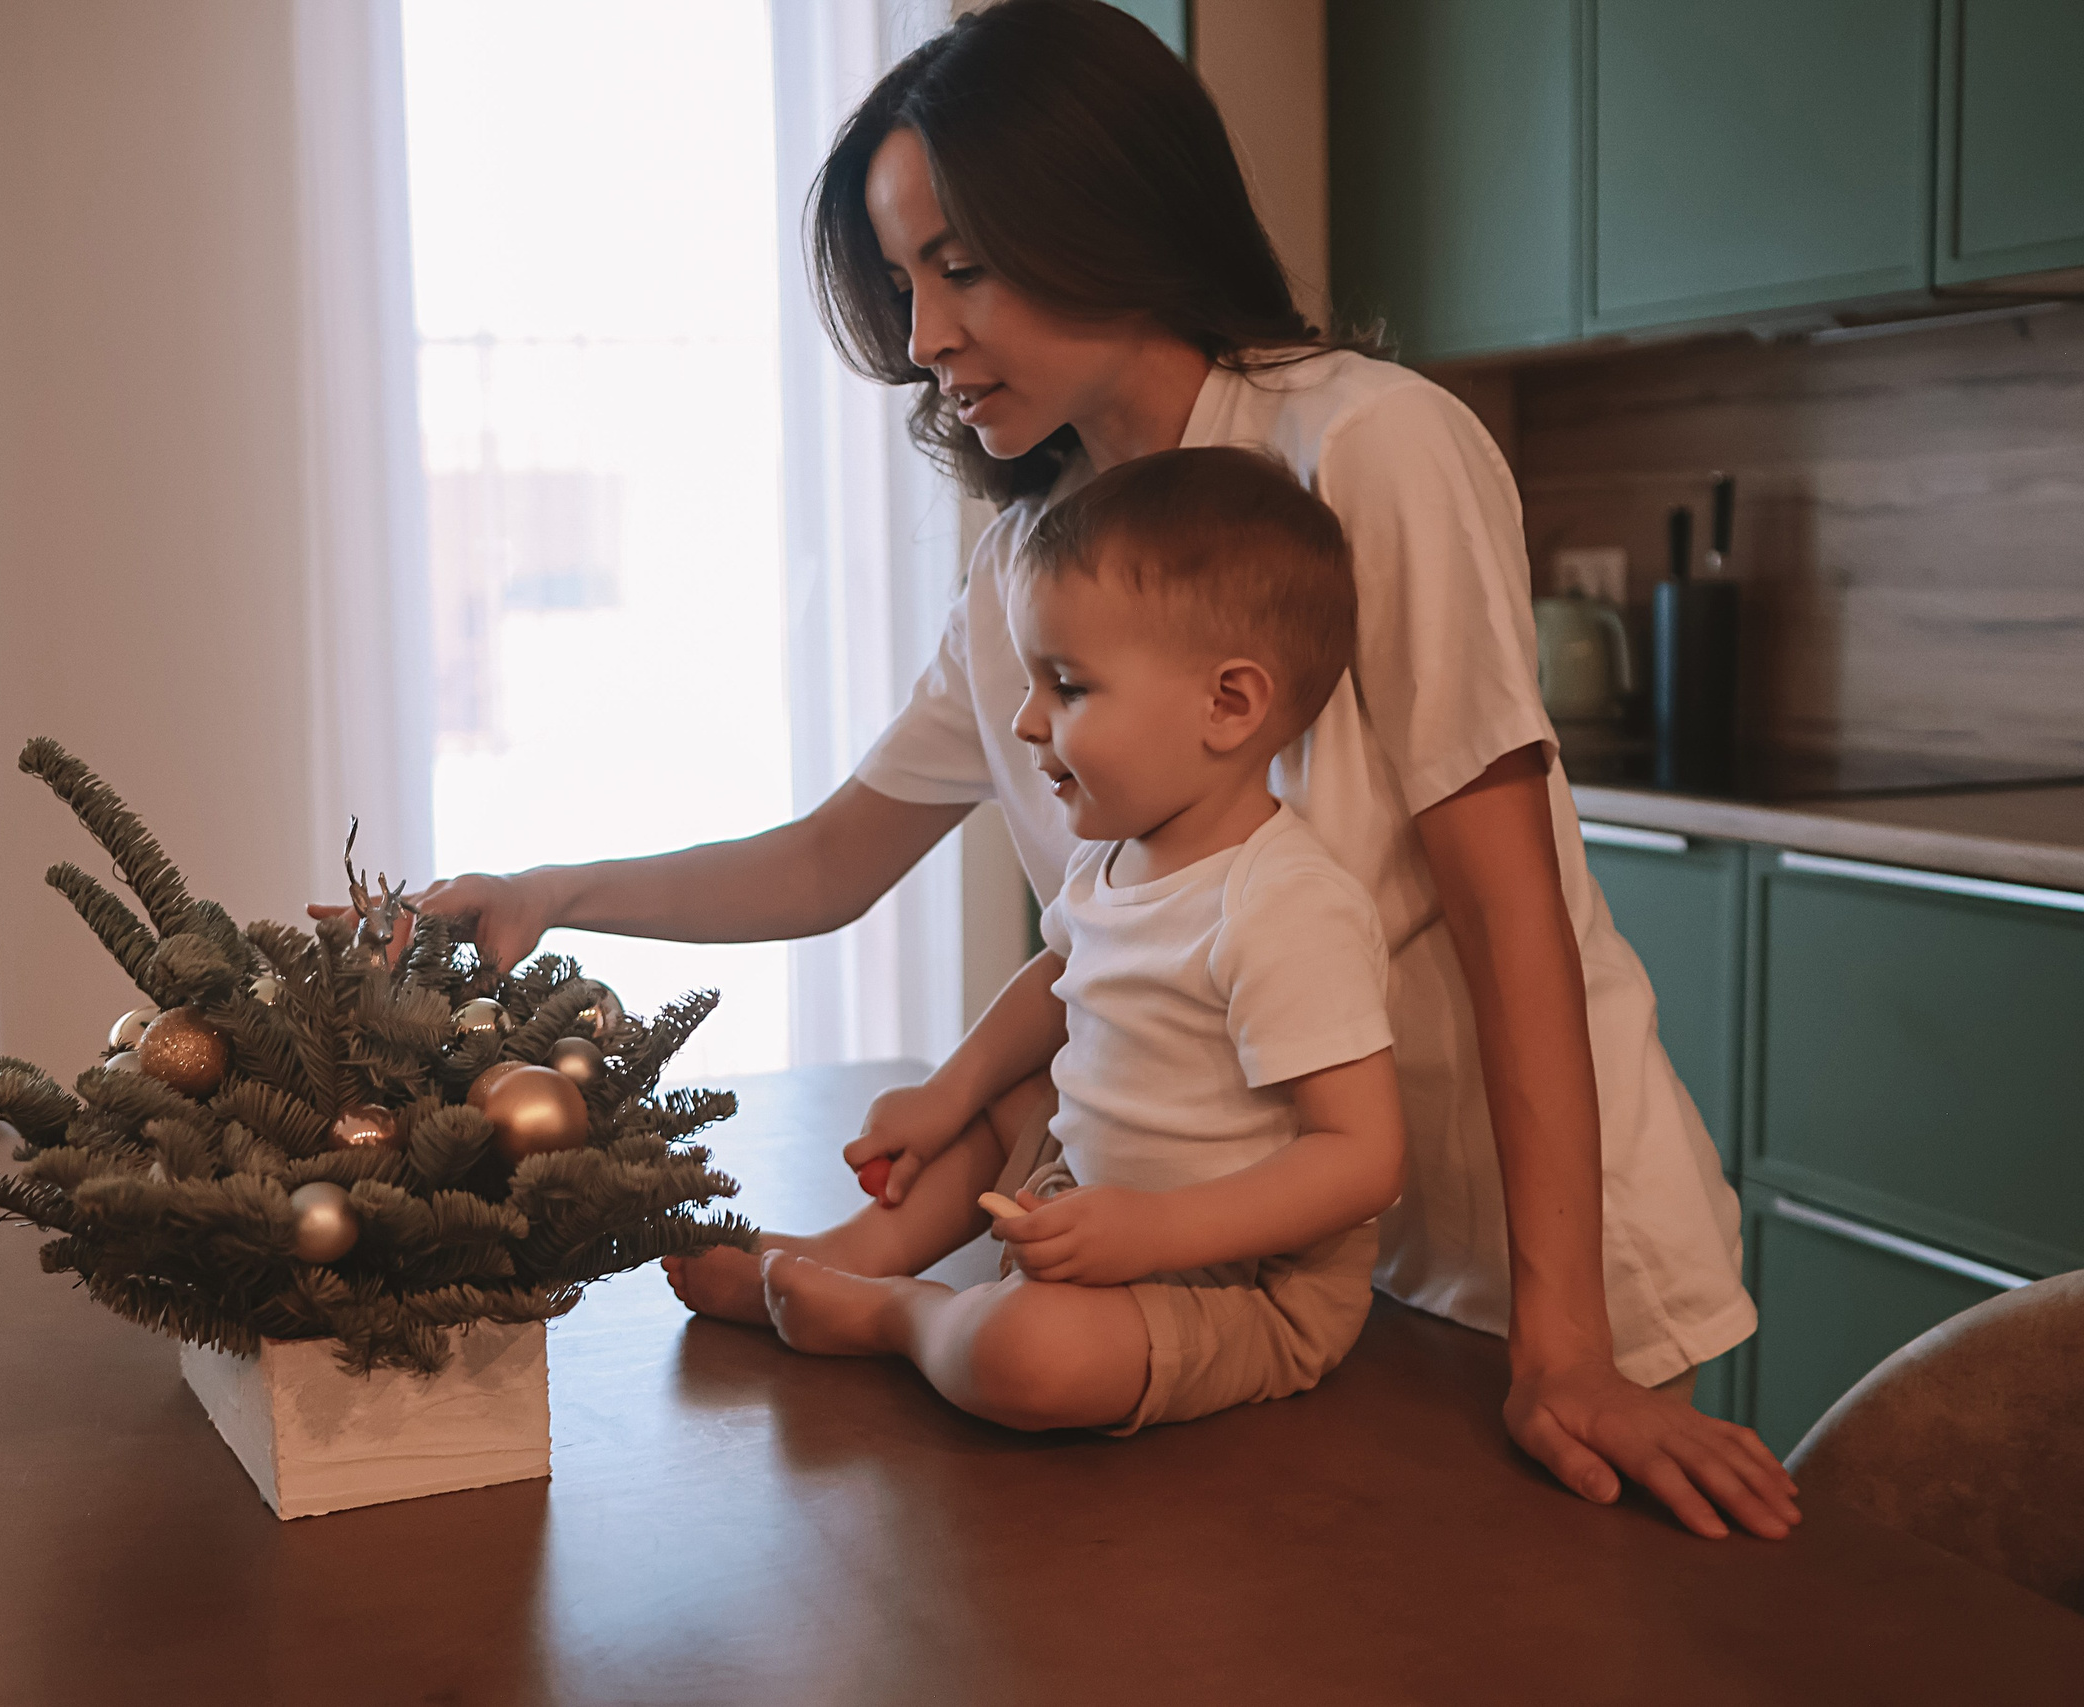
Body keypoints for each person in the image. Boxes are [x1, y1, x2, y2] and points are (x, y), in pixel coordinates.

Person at [411, 0, 1799, 1538]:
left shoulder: (1367, 449)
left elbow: (1508, 903)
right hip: (1268, 1273)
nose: (925, 338)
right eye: (898, 281)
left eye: (963, 263)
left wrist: (1566, 1348)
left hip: (1528, 1263)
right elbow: (828, 858)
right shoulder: (1031, 567)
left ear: (1107, 212)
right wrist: (554, 887)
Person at [761, 445, 1405, 1435]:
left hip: (1237, 1286)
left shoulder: (1285, 903)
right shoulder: (1114, 859)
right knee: (1003, 1097)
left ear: (1227, 705)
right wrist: (950, 1091)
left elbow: (1361, 1159)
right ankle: (850, 1255)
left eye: (1067, 686)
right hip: (1100, 1211)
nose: (1024, 721)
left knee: (1035, 1355)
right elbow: (1061, 973)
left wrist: (1155, 1230)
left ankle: (900, 1315)